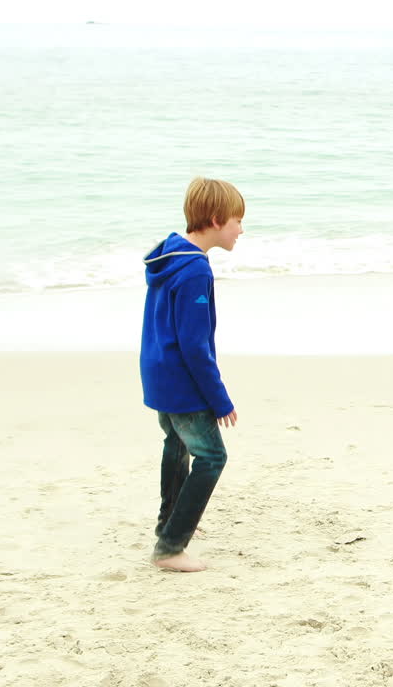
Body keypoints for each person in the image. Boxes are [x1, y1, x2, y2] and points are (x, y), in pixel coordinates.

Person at [139, 177, 245, 570]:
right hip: (182, 379)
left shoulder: (171, 257)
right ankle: (169, 547)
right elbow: (195, 346)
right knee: (212, 456)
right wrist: (220, 399)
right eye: (237, 221)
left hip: (158, 371)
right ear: (216, 220)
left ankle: (170, 522)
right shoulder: (195, 269)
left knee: (176, 444)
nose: (241, 230)